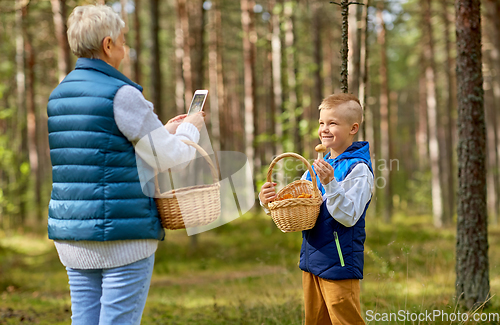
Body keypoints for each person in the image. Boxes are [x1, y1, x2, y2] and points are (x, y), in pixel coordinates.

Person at [46, 5, 205, 325]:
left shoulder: (59, 95)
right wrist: (191, 128)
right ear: (107, 45)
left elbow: (105, 147)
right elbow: (169, 156)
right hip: (123, 236)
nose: (125, 46)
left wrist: (165, 131)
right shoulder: (122, 94)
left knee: (85, 320)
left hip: (72, 234)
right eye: (122, 39)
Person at [259, 93, 374, 325]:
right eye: (322, 123)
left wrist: (331, 183)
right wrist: (268, 202)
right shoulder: (317, 169)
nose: (324, 129)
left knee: (345, 319)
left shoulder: (359, 169)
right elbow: (300, 209)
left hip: (340, 263)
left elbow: (349, 216)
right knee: (315, 320)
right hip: (312, 261)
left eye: (333, 123)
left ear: (353, 128)